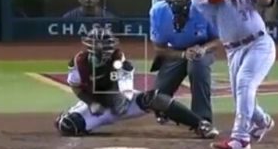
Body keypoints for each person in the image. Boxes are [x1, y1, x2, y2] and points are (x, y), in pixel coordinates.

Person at [53, 25, 216, 138]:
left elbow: (125, 96)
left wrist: (116, 97)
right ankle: (65, 116)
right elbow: (76, 86)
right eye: (99, 46)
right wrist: (91, 102)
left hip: (121, 104)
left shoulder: (121, 63)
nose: (103, 50)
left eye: (106, 46)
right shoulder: (79, 63)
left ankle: (200, 124)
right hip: (97, 108)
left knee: (155, 99)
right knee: (68, 125)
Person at [189, 0, 278, 149]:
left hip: (259, 43)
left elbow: (265, 1)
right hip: (233, 50)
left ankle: (240, 138)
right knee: (241, 97)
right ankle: (262, 122)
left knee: (245, 83)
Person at [147, 0, 220, 136]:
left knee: (197, 66)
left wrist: (203, 49)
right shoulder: (158, 12)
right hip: (175, 51)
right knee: (157, 97)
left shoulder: (204, 9)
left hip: (201, 48)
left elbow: (218, 38)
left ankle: (202, 120)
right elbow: (158, 47)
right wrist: (182, 54)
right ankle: (168, 112)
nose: (178, 0)